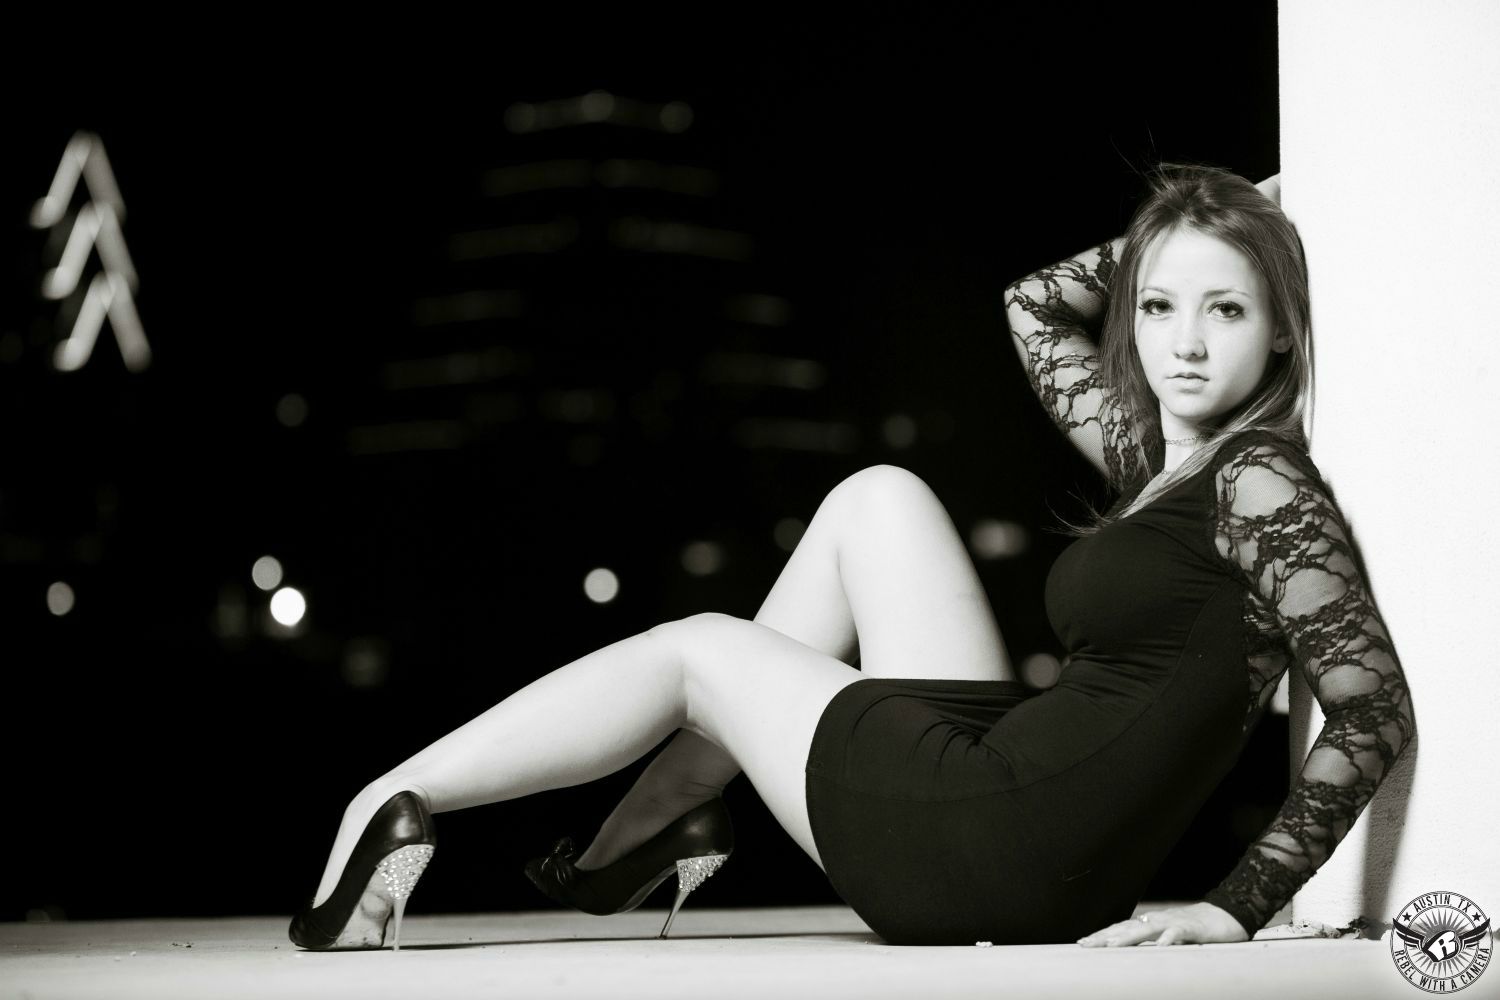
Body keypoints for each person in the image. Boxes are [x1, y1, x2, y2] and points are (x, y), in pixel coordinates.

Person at [289, 164, 1415, 951]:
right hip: (1017, 816)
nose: (1183, 338)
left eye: (1227, 308)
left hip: (991, 845)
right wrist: (1206, 222)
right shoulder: (1162, 460)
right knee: (877, 499)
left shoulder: (1259, 482)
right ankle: (649, 828)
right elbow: (1031, 305)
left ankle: (394, 794)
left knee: (700, 651)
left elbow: (1371, 710)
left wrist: (1236, 904)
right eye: (1160, 304)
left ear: (1279, 329)